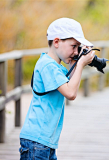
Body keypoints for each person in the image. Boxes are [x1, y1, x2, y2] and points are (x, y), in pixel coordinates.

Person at [19, 18, 95, 160]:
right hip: (37, 141)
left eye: (78, 47)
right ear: (56, 42)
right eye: (74, 46)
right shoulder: (48, 66)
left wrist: (76, 60)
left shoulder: (55, 66)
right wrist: (81, 64)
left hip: (45, 141)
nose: (75, 51)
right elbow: (71, 93)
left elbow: (71, 84)